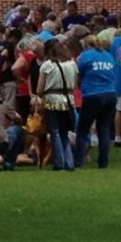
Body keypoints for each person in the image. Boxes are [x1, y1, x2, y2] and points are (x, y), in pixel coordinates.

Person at [35, 39, 78, 171]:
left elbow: (40, 89)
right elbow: (75, 84)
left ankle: (59, 163)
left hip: (52, 99)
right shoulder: (72, 63)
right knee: (65, 132)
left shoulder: (47, 65)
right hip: (69, 100)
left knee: (55, 131)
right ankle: (69, 162)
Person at [74, 35, 116, 169]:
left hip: (92, 94)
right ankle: (103, 163)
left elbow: (78, 74)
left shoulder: (85, 56)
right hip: (110, 93)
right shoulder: (108, 56)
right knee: (103, 128)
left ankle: (78, 162)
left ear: (86, 45)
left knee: (82, 129)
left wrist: (81, 88)